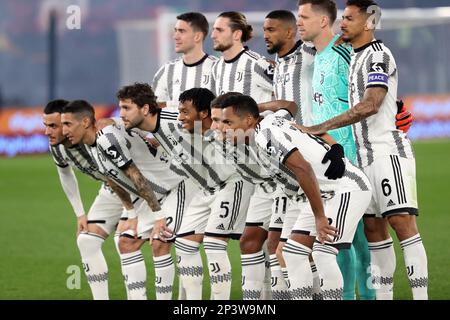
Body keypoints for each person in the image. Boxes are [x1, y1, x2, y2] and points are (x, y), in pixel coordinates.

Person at [303, 0, 428, 300]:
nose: (341, 24)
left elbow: (371, 104)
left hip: (386, 152)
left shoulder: (377, 55)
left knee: (402, 224)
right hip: (361, 157)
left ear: (369, 22)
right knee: (374, 233)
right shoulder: (355, 57)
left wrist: (321, 127)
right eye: (341, 18)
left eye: (348, 19)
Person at [220, 94, 372, 300]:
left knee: (322, 253)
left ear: (248, 120)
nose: (222, 127)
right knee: (292, 253)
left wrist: (319, 218)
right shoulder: (270, 120)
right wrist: (256, 106)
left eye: (228, 122)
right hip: (322, 193)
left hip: (346, 189)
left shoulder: (266, 135)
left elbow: (304, 169)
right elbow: (289, 105)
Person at [61, 99, 191, 300]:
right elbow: (112, 179)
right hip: (152, 195)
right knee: (126, 243)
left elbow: (134, 175)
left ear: (85, 122)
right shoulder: (91, 143)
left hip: (173, 187)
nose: (64, 130)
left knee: (160, 242)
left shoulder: (106, 139)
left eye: (68, 124)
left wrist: (158, 216)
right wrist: (131, 213)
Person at [297, 0, 374, 300]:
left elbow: (369, 93)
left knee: (351, 239)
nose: (299, 22)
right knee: (346, 237)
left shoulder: (344, 53)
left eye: (304, 17)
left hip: (349, 158)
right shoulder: (318, 56)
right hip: (325, 160)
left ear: (323, 22)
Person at [43, 99, 128, 300]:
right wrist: (80, 213)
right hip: (112, 189)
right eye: (46, 126)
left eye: (55, 126)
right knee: (87, 241)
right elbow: (65, 174)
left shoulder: (98, 135)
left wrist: (116, 121)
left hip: (140, 187)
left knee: (125, 242)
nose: (48, 132)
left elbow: (131, 124)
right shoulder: (57, 146)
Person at [260, 9, 317, 300]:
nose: (265, 34)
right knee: (283, 250)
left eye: (270, 29)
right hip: (287, 167)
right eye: (264, 29)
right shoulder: (277, 64)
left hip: (311, 157)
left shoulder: (310, 55)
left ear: (289, 32)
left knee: (302, 249)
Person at [152, 12, 218, 109]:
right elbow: (153, 107)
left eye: (181, 31)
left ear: (197, 36)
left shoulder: (217, 67)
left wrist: (170, 104)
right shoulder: (166, 70)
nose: (175, 36)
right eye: (175, 31)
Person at [211, 11, 274, 103]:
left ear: (236, 34)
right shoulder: (217, 66)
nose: (213, 35)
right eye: (213, 30)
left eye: (220, 30)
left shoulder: (256, 63)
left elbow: (286, 91)